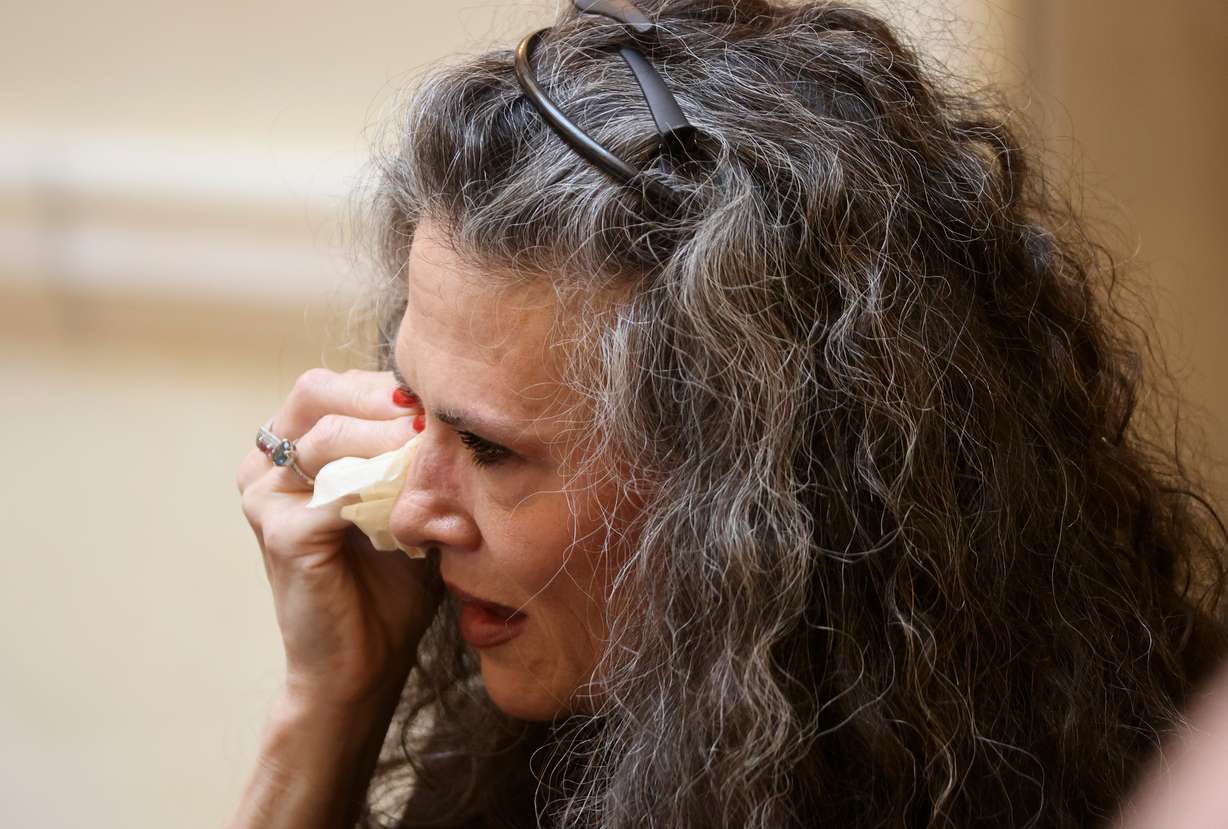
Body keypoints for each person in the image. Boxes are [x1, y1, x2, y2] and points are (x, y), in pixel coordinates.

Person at [231, 1, 1228, 826]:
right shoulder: (542, 757)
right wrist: (329, 705)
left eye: (490, 448)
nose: (410, 515)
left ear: (751, 481)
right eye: (413, 404)